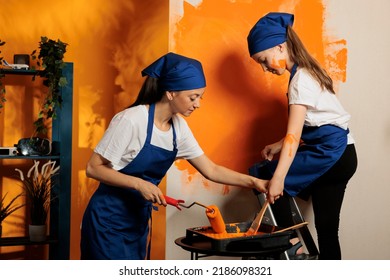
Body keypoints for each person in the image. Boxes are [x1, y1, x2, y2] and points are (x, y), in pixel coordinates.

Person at [80, 52, 268, 260]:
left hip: (137, 223)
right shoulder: (132, 120)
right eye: (193, 97)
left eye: (200, 97)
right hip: (107, 221)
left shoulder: (179, 128)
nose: (198, 104)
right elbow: (93, 168)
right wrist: (139, 184)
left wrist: (255, 182)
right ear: (170, 93)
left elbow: (211, 170)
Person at [246, 12, 358, 260]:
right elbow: (320, 122)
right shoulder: (308, 72)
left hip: (332, 153)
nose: (264, 68)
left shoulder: (299, 81)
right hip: (345, 154)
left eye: (264, 60)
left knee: (267, 176)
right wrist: (278, 145)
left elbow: (294, 136)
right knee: (328, 230)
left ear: (279, 47)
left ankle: (291, 247)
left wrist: (278, 179)